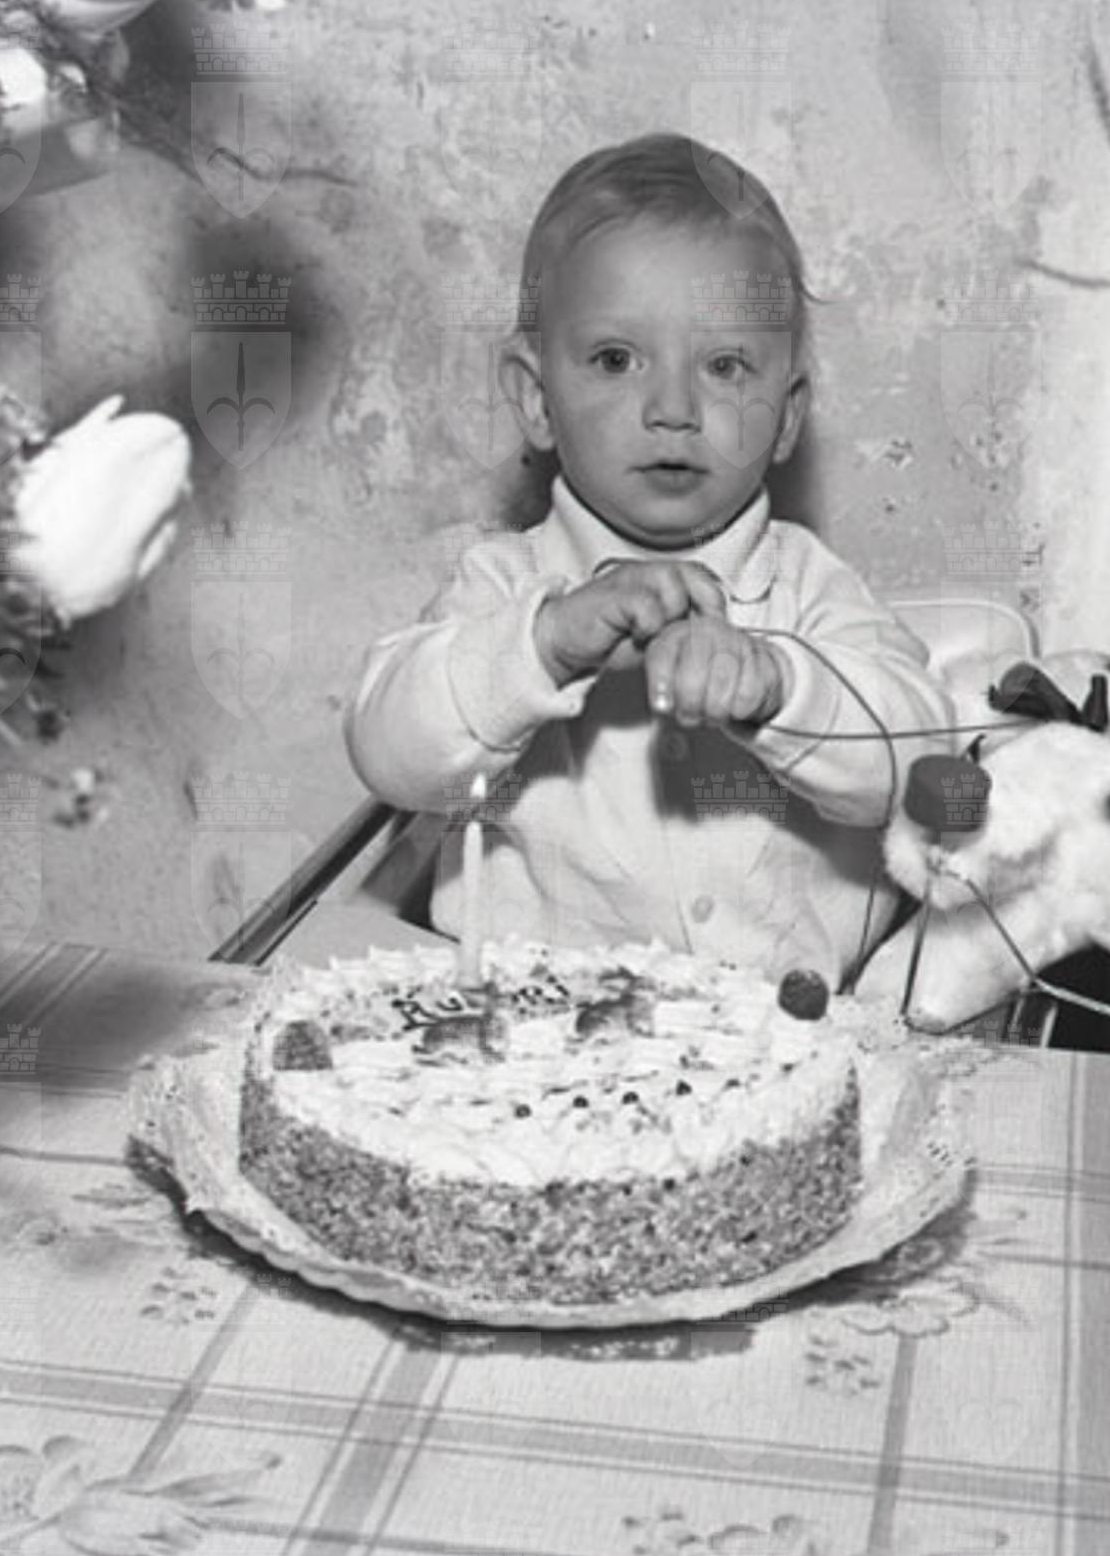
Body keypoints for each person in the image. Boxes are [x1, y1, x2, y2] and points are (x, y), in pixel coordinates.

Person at [346, 133, 961, 987]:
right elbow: (390, 754)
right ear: (535, 397)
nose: (673, 407)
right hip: (536, 1030)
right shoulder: (504, 585)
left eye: (724, 367)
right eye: (615, 360)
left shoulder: (809, 588)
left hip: (787, 1034)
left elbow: (921, 760)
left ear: (786, 417)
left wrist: (782, 688)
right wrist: (542, 646)